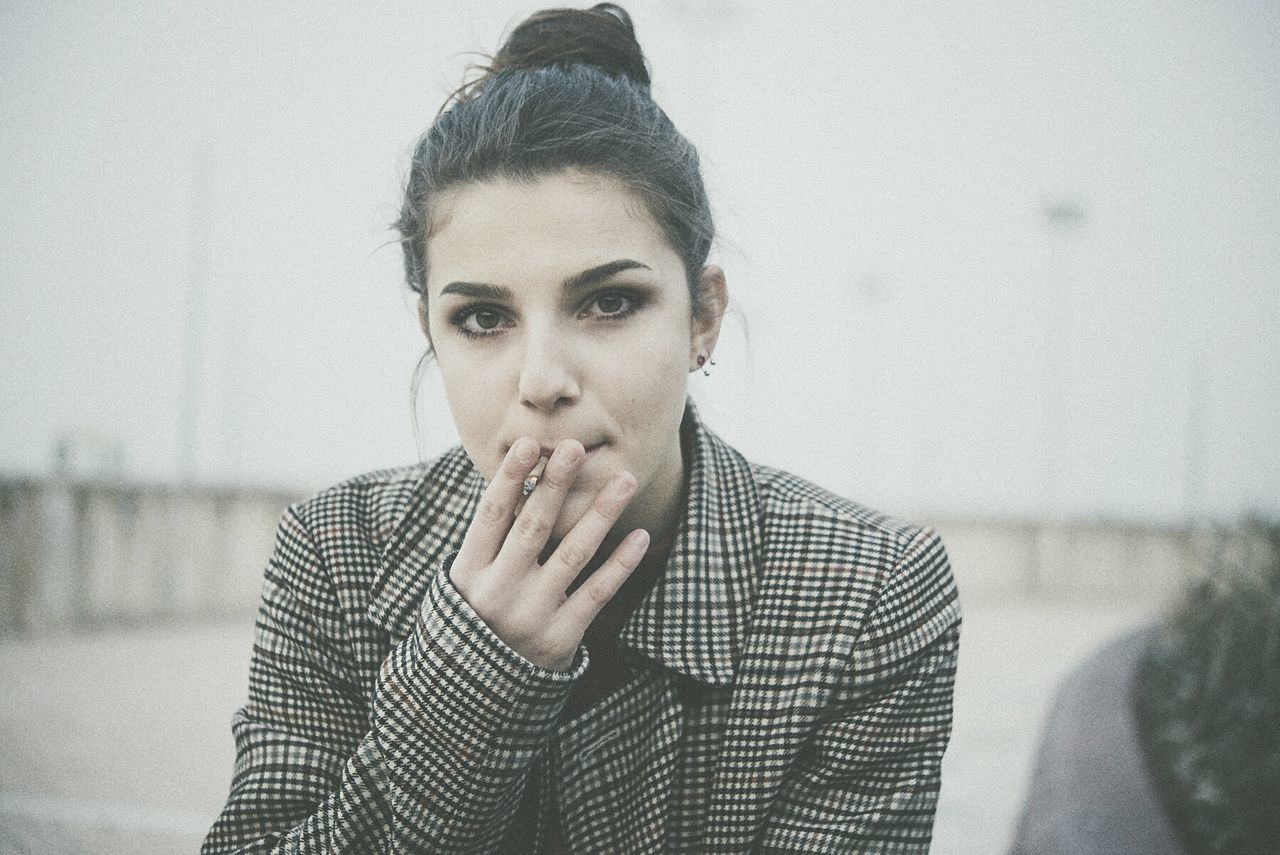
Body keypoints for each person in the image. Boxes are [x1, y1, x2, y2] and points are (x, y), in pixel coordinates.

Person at [201, 4, 961, 852]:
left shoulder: (866, 592)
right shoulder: (338, 552)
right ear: (431, 333)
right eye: (484, 318)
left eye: (608, 303)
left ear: (702, 316)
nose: (542, 381)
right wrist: (470, 677)